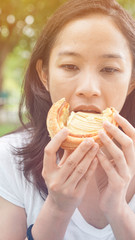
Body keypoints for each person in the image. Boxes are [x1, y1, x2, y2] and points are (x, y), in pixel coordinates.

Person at [0, 0, 135, 239]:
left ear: (132, 81)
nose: (89, 88)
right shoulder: (9, 159)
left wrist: (119, 213)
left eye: (109, 69)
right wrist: (57, 209)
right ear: (45, 75)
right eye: (70, 66)